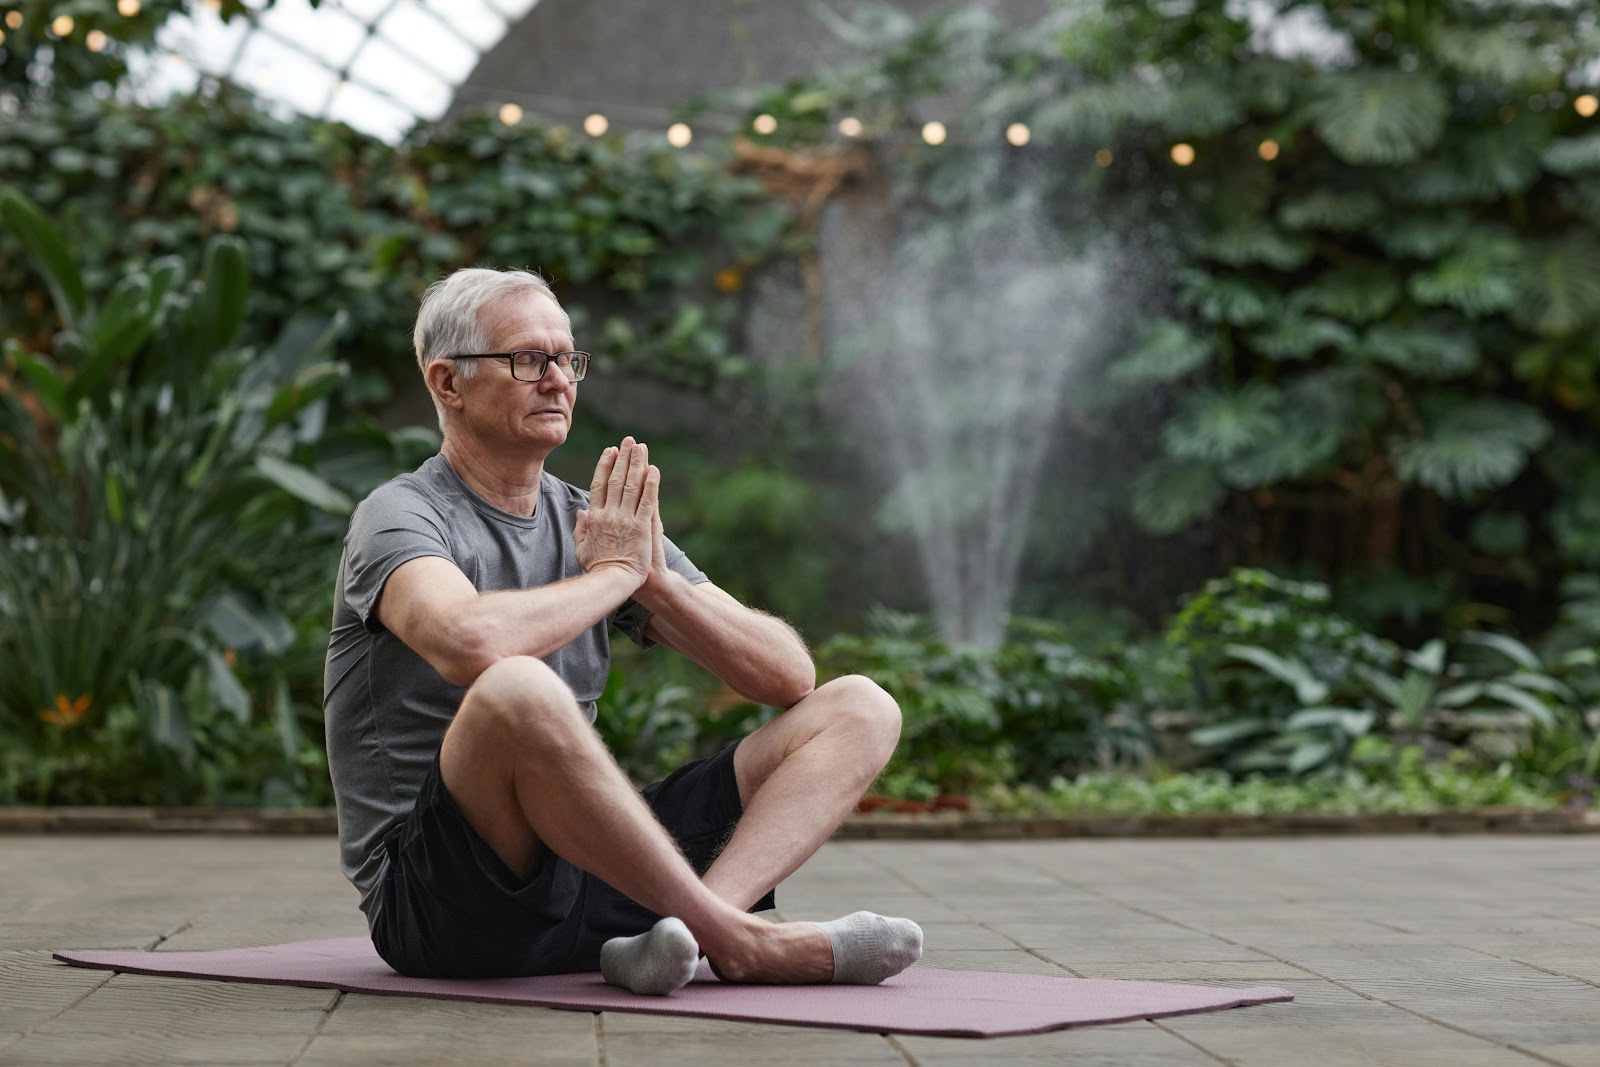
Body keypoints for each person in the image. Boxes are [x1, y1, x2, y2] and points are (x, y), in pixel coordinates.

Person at [322, 266, 922, 995]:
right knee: (515, 686)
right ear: (447, 382)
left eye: (567, 359)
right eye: (527, 359)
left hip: (591, 878)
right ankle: (742, 941)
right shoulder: (401, 514)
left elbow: (786, 676)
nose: (557, 380)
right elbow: (467, 643)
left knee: (860, 706)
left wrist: (656, 579)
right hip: (446, 905)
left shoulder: (600, 523)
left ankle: (688, 936)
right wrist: (613, 577)